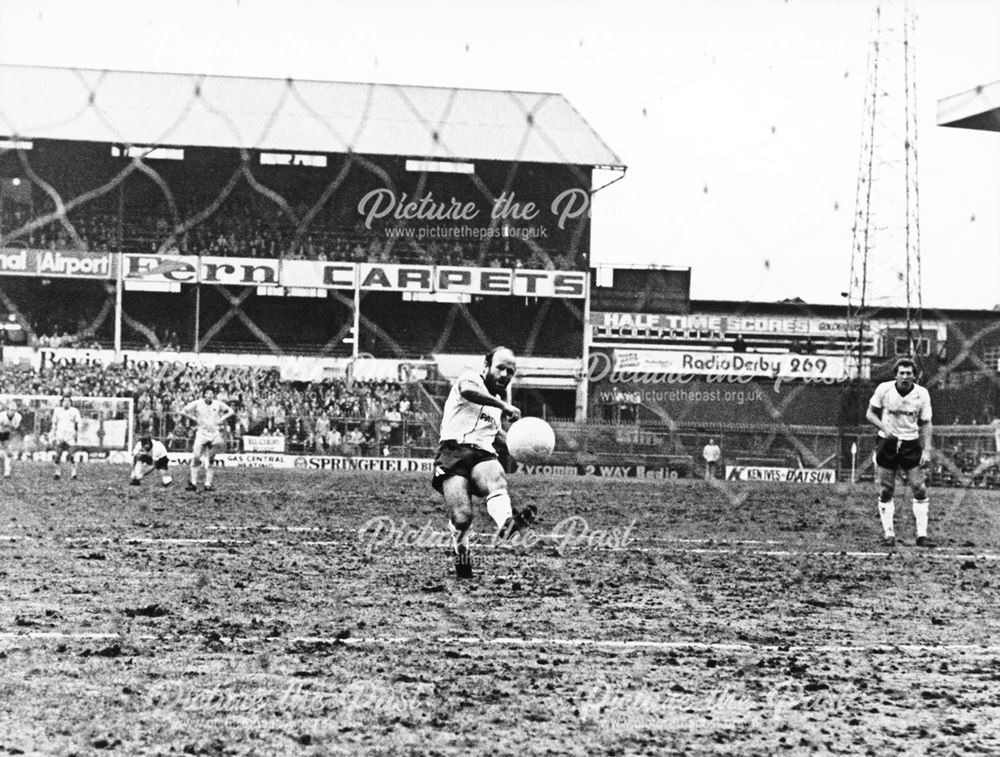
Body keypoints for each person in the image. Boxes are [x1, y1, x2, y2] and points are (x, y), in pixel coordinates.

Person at [432, 346, 534, 579]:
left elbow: (496, 434)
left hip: (482, 455)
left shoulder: (496, 404)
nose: (505, 374)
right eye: (500, 367)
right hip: (453, 452)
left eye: (510, 371)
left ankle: (506, 523)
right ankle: (462, 552)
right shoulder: (470, 379)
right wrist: (503, 405)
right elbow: (469, 391)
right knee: (462, 516)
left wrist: (520, 444)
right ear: (486, 366)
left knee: (495, 475)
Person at [865, 357, 934, 547]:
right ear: (895, 375)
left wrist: (927, 451)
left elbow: (926, 423)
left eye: (908, 373)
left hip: (910, 443)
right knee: (886, 489)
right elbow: (870, 413)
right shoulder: (884, 390)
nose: (905, 376)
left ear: (915, 375)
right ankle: (889, 534)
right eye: (901, 373)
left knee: (919, 487)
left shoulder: (922, 394)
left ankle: (922, 536)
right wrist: (884, 429)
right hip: (887, 443)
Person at [180, 385, 234, 492]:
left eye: (211, 393)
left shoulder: (218, 404)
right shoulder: (198, 403)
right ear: (204, 394)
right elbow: (183, 411)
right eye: (207, 393)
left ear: (213, 395)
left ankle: (208, 484)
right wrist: (195, 419)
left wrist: (221, 419)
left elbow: (231, 411)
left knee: (211, 460)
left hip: (214, 434)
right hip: (201, 433)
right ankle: (193, 483)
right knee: (196, 457)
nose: (209, 395)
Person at [50, 395, 82, 480]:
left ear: (71, 402)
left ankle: (74, 474)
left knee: (72, 456)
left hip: (70, 436)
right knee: (57, 456)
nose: (66, 402)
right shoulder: (57, 411)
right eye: (65, 401)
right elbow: (54, 424)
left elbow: (78, 423)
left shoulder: (75, 411)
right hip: (60, 436)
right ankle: (57, 473)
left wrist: (77, 433)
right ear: (62, 402)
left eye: (68, 401)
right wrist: (53, 434)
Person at [0, 401, 23, 479]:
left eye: (14, 410)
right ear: (7, 409)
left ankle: (7, 473)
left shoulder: (18, 417)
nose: (13, 412)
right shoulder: (1, 416)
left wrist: (7, 442)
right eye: (11, 410)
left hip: (6, 434)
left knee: (9, 453)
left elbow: (13, 431)